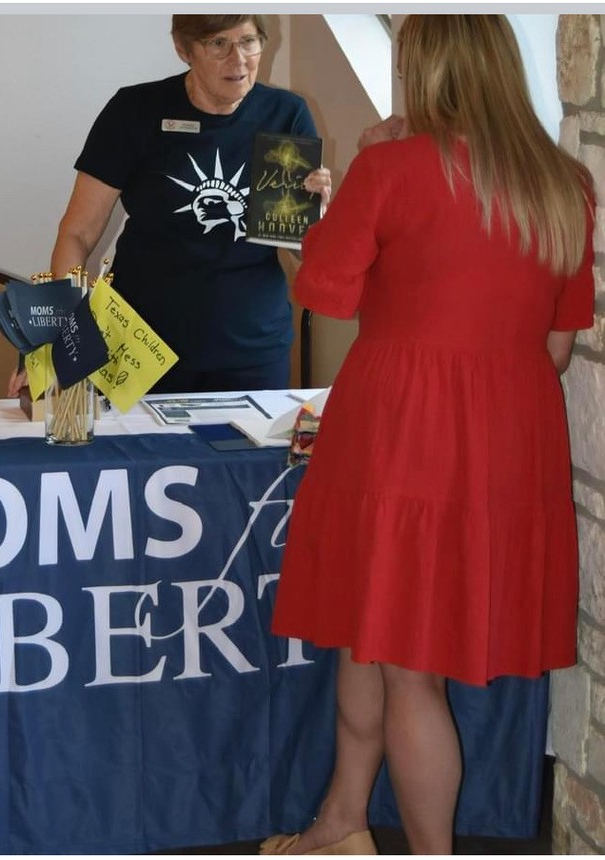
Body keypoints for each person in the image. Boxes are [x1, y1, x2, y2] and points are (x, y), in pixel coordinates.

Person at [262, 15, 594, 856]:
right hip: (509, 432)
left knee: (405, 665)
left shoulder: (392, 165)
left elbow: (322, 290)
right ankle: (341, 823)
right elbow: (557, 349)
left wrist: (347, 185)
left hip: (400, 425)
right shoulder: (562, 182)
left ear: (427, 73)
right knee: (370, 634)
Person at [9, 14, 331, 397]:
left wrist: (318, 217)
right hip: (141, 348)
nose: (239, 60)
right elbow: (77, 233)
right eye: (218, 44)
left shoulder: (285, 114)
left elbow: (306, 252)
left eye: (248, 41)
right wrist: (63, 338)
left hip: (252, 348)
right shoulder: (135, 111)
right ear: (183, 48)